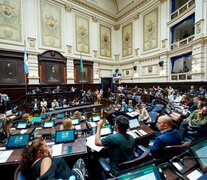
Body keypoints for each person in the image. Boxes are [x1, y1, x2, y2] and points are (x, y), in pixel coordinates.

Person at [19, 139, 87, 180]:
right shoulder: (45, 160)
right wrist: (48, 158)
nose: (49, 148)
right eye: (46, 146)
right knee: (80, 160)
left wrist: (49, 156)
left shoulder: (28, 164)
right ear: (39, 153)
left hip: (60, 175)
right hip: (69, 177)